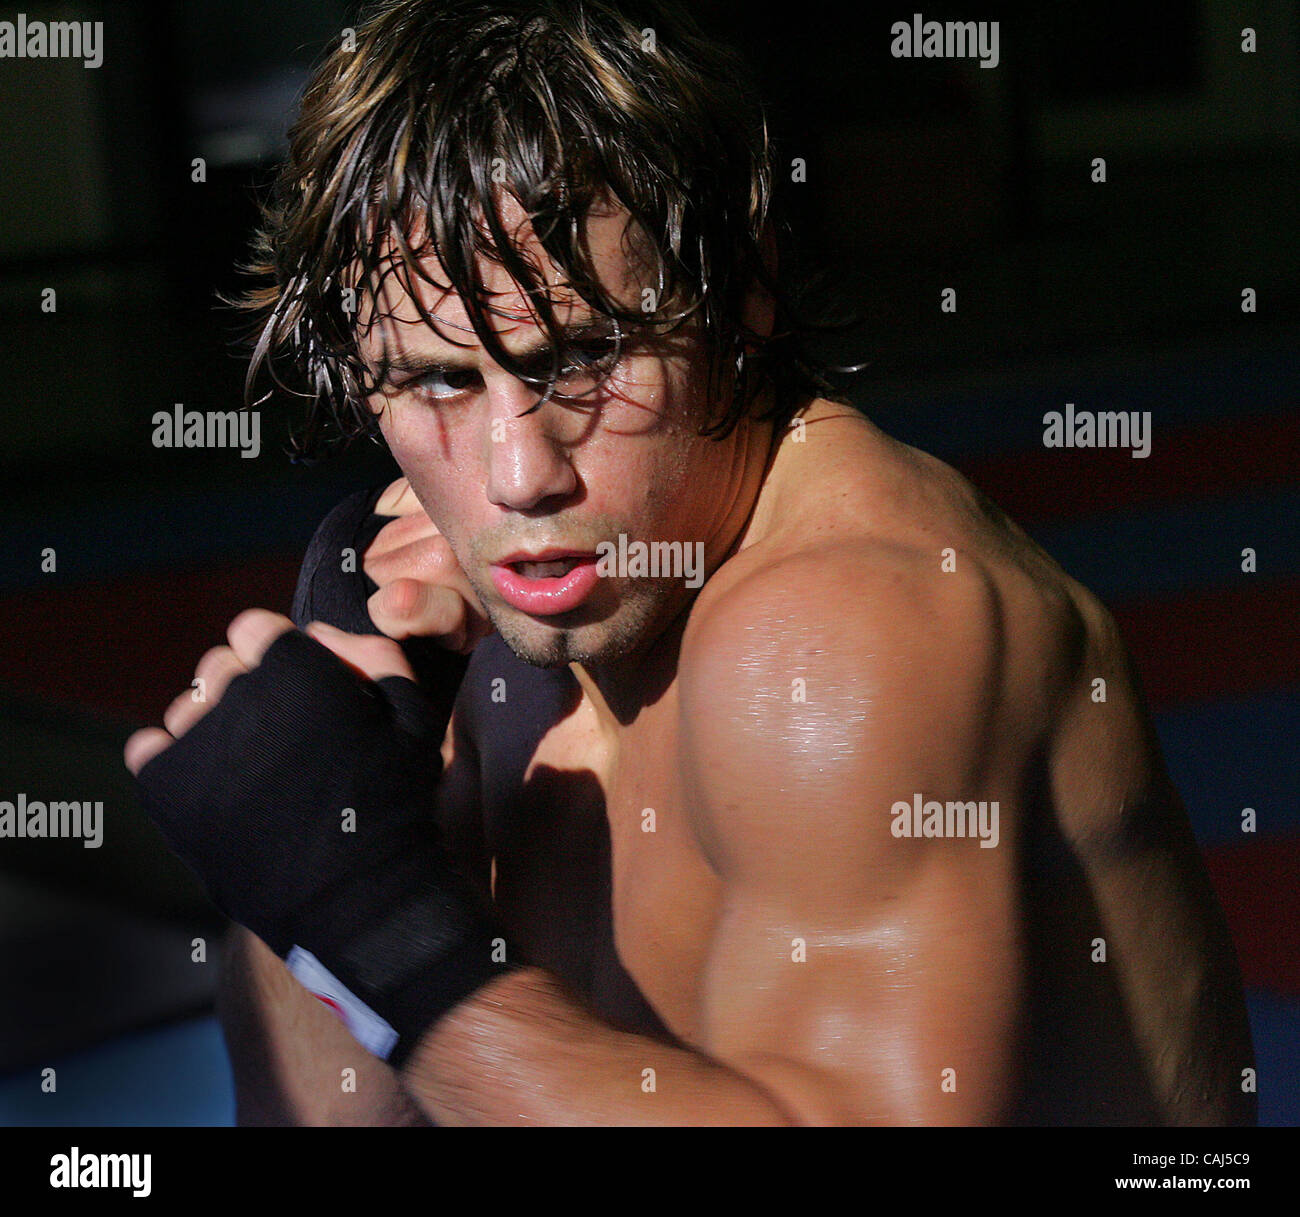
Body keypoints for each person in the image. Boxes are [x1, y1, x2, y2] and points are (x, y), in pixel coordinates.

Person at [124, 0, 1254, 1125]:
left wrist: (389, 932)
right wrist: (326, 865)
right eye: (438, 380)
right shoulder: (459, 614)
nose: (519, 476)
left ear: (742, 285)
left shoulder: (838, 632)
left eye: (583, 356)